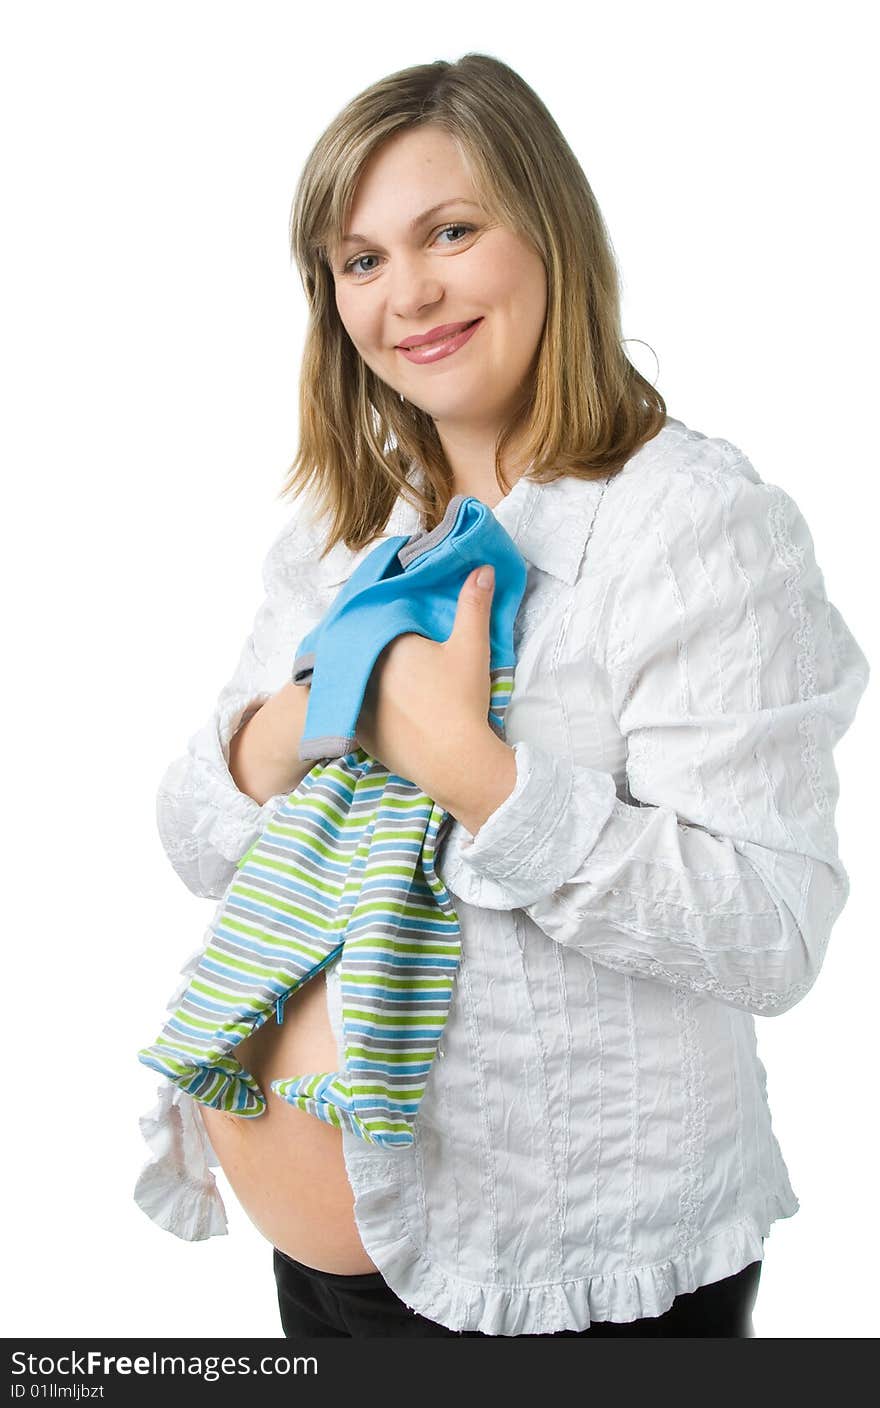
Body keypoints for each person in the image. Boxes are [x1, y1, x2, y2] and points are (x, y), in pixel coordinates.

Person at [134, 52, 870, 1337]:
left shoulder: (692, 529)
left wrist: (472, 770)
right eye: (358, 261)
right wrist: (312, 716)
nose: (404, 293)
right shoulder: (341, 531)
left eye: (449, 233)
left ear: (550, 235)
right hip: (331, 1277)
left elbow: (770, 928)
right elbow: (199, 841)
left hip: (571, 1282)